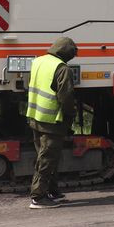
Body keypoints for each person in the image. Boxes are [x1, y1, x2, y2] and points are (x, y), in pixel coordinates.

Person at [26, 36, 79, 209]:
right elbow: (66, 97)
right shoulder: (62, 68)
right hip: (51, 121)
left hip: (35, 116)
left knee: (47, 156)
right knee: (47, 159)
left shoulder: (39, 61)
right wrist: (71, 114)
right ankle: (38, 197)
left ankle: (52, 192)